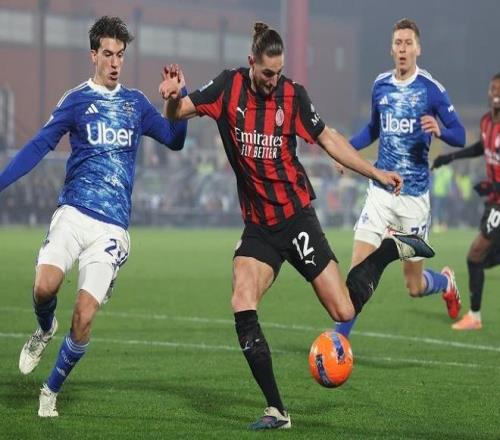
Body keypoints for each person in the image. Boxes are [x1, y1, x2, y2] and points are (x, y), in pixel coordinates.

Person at [158, 22, 434, 430]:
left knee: (343, 309)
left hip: (295, 218)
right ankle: (277, 410)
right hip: (259, 227)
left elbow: (329, 139)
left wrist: (374, 172)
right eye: (267, 72)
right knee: (242, 299)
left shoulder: (293, 95)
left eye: (279, 72)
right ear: (251, 62)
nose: (274, 80)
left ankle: (391, 249)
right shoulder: (228, 87)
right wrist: (172, 98)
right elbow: (177, 114)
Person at [0, 16, 187, 417]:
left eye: (121, 54)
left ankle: (50, 391)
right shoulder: (76, 100)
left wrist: (178, 99)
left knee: (84, 317)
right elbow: (38, 146)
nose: (115, 62)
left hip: (111, 228)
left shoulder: (136, 104)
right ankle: (44, 328)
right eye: (108, 54)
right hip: (73, 213)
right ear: (93, 55)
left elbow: (175, 140)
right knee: (44, 288)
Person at [335, 18, 466, 339]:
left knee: (414, 285)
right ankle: (339, 342)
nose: (403, 49)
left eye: (408, 43)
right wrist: (344, 150)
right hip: (380, 193)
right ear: (391, 49)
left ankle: (445, 282)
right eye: (398, 43)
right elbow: (373, 129)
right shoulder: (380, 85)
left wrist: (441, 131)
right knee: (357, 268)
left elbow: (461, 135)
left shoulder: (431, 90)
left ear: (418, 49)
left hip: (414, 200)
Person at [432, 73, 500, 330]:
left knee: (475, 256)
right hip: (493, 200)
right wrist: (450, 158)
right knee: (480, 259)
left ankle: (474, 316)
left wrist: (492, 186)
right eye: (493, 88)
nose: (496, 93)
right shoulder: (486, 122)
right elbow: (480, 147)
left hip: (498, 202)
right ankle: (475, 316)